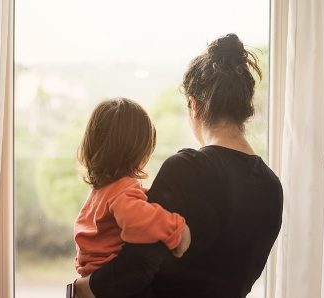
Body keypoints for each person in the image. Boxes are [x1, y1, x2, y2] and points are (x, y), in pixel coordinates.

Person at [74, 33, 284, 298]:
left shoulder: (188, 169)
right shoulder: (272, 187)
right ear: (245, 108)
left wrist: (77, 289)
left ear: (194, 106)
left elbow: (132, 272)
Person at [73, 98, 191, 278]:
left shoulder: (99, 192)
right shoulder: (123, 190)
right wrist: (176, 229)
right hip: (113, 284)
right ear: (139, 152)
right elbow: (139, 220)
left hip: (92, 279)